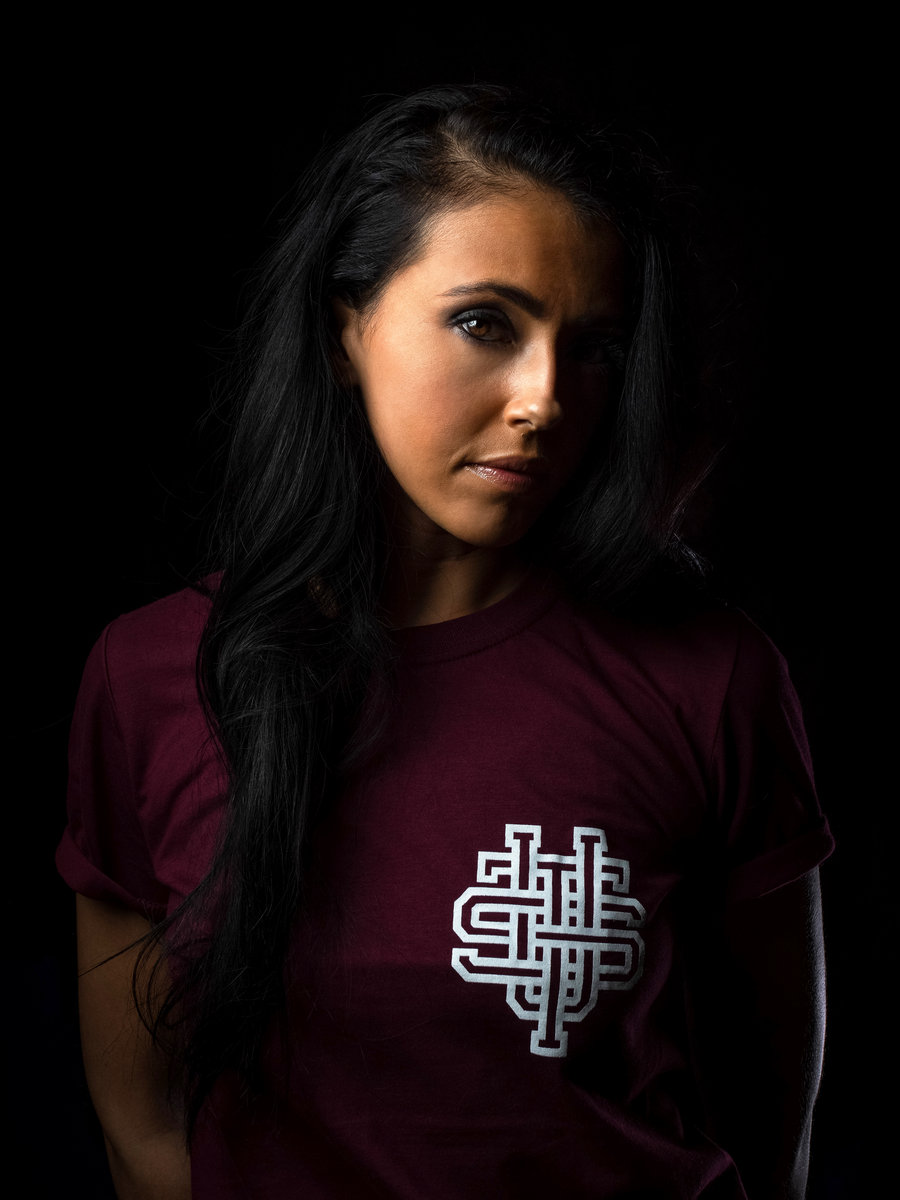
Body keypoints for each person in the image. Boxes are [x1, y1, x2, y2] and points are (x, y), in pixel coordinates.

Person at [57, 84, 833, 1199]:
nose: (544, 400)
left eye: (593, 347)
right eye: (485, 324)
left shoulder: (708, 678)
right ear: (346, 329)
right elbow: (143, 1129)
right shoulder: (152, 677)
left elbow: (769, 1132)